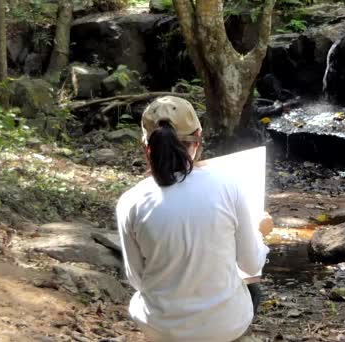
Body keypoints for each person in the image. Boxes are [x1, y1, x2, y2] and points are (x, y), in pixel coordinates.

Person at [117, 96, 273, 342]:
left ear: (146, 145)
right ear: (198, 139)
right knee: (252, 289)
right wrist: (259, 233)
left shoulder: (130, 201)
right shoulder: (228, 186)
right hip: (223, 327)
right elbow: (251, 264)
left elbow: (137, 280)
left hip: (161, 328)